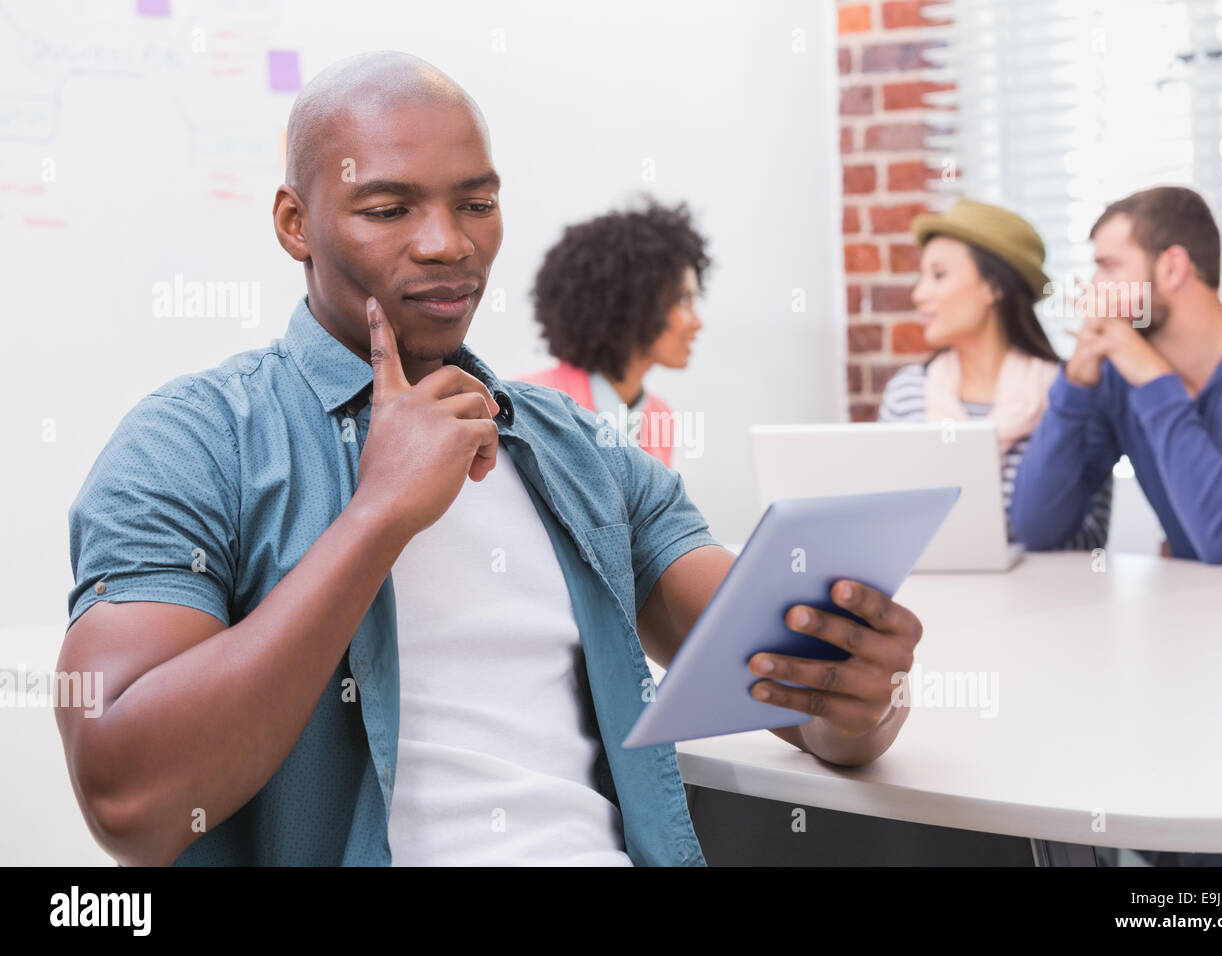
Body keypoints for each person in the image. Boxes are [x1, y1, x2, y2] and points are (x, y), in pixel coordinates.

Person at [56, 51, 926, 867]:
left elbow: (795, 692)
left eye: (475, 204)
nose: (447, 244)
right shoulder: (195, 441)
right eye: (389, 209)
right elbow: (131, 800)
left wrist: (859, 707)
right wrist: (378, 516)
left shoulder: (574, 448)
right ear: (296, 225)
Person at [1010, 185, 1222, 571]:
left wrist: (1155, 379)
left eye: (1109, 266)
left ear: (1172, 268)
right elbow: (1038, 529)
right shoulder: (1117, 375)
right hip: (1199, 612)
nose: (1094, 287)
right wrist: (1074, 386)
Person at [879, 199, 1111, 550]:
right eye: (922, 276)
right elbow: (885, 527)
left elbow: (1090, 539)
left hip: (1047, 601)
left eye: (938, 275)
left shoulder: (1070, 393)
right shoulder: (907, 394)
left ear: (993, 288)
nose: (918, 294)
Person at [519, 198, 707, 468]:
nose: (698, 323)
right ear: (634, 302)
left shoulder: (659, 416)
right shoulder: (530, 405)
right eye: (684, 301)